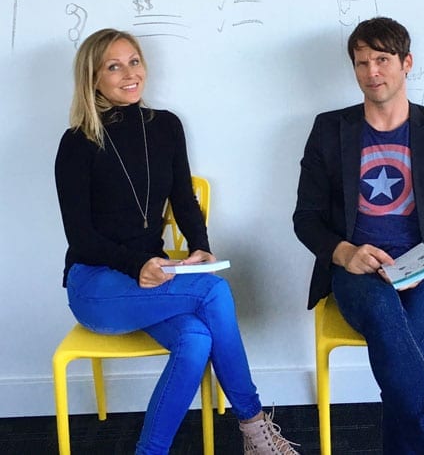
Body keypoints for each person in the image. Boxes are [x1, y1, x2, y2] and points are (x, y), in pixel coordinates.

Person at [55, 28, 300, 455]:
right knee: (213, 290)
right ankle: (255, 428)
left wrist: (200, 246)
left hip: (151, 279)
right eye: (114, 66)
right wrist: (138, 266)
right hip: (97, 284)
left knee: (196, 339)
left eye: (134, 61)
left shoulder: (166, 126)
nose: (129, 73)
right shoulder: (77, 143)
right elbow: (81, 237)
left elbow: (183, 199)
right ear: (93, 79)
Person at [293, 17, 424, 454]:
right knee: (389, 327)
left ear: (406, 62)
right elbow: (306, 217)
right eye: (362, 63)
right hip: (358, 269)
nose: (372, 72)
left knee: (398, 349)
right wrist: (343, 252)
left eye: (382, 59)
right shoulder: (328, 129)